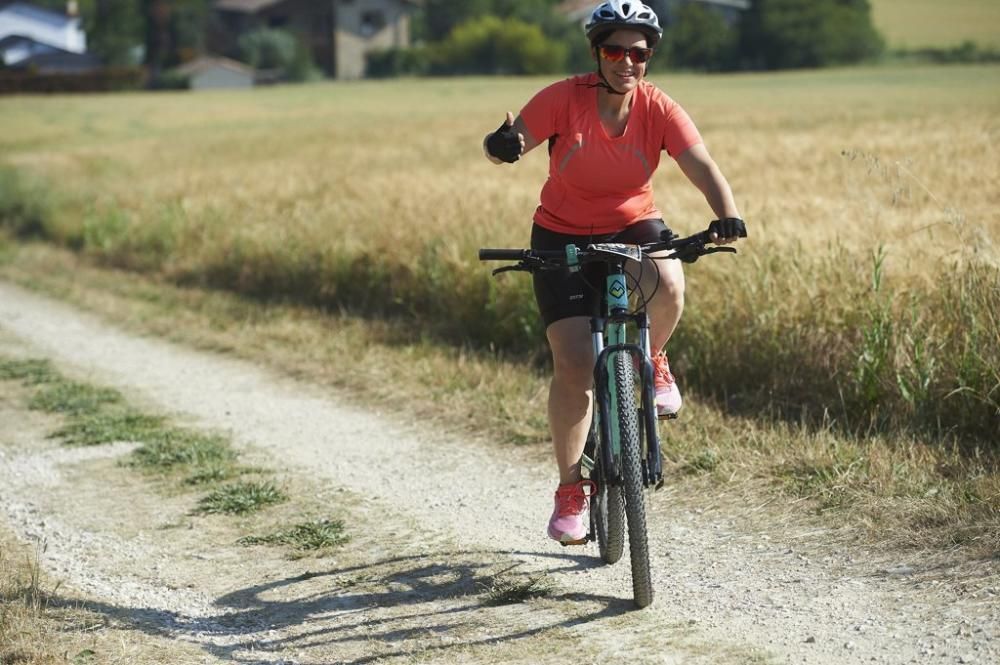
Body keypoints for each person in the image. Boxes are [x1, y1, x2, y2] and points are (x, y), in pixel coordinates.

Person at [482, 0, 746, 544]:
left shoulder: (658, 107)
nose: (627, 61)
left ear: (650, 58)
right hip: (561, 232)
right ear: (596, 53)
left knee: (670, 279)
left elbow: (701, 165)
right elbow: (512, 144)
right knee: (575, 363)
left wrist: (728, 216)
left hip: (634, 226)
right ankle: (570, 489)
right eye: (615, 50)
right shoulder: (562, 98)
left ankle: (652, 362)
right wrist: (502, 146)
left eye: (639, 53)